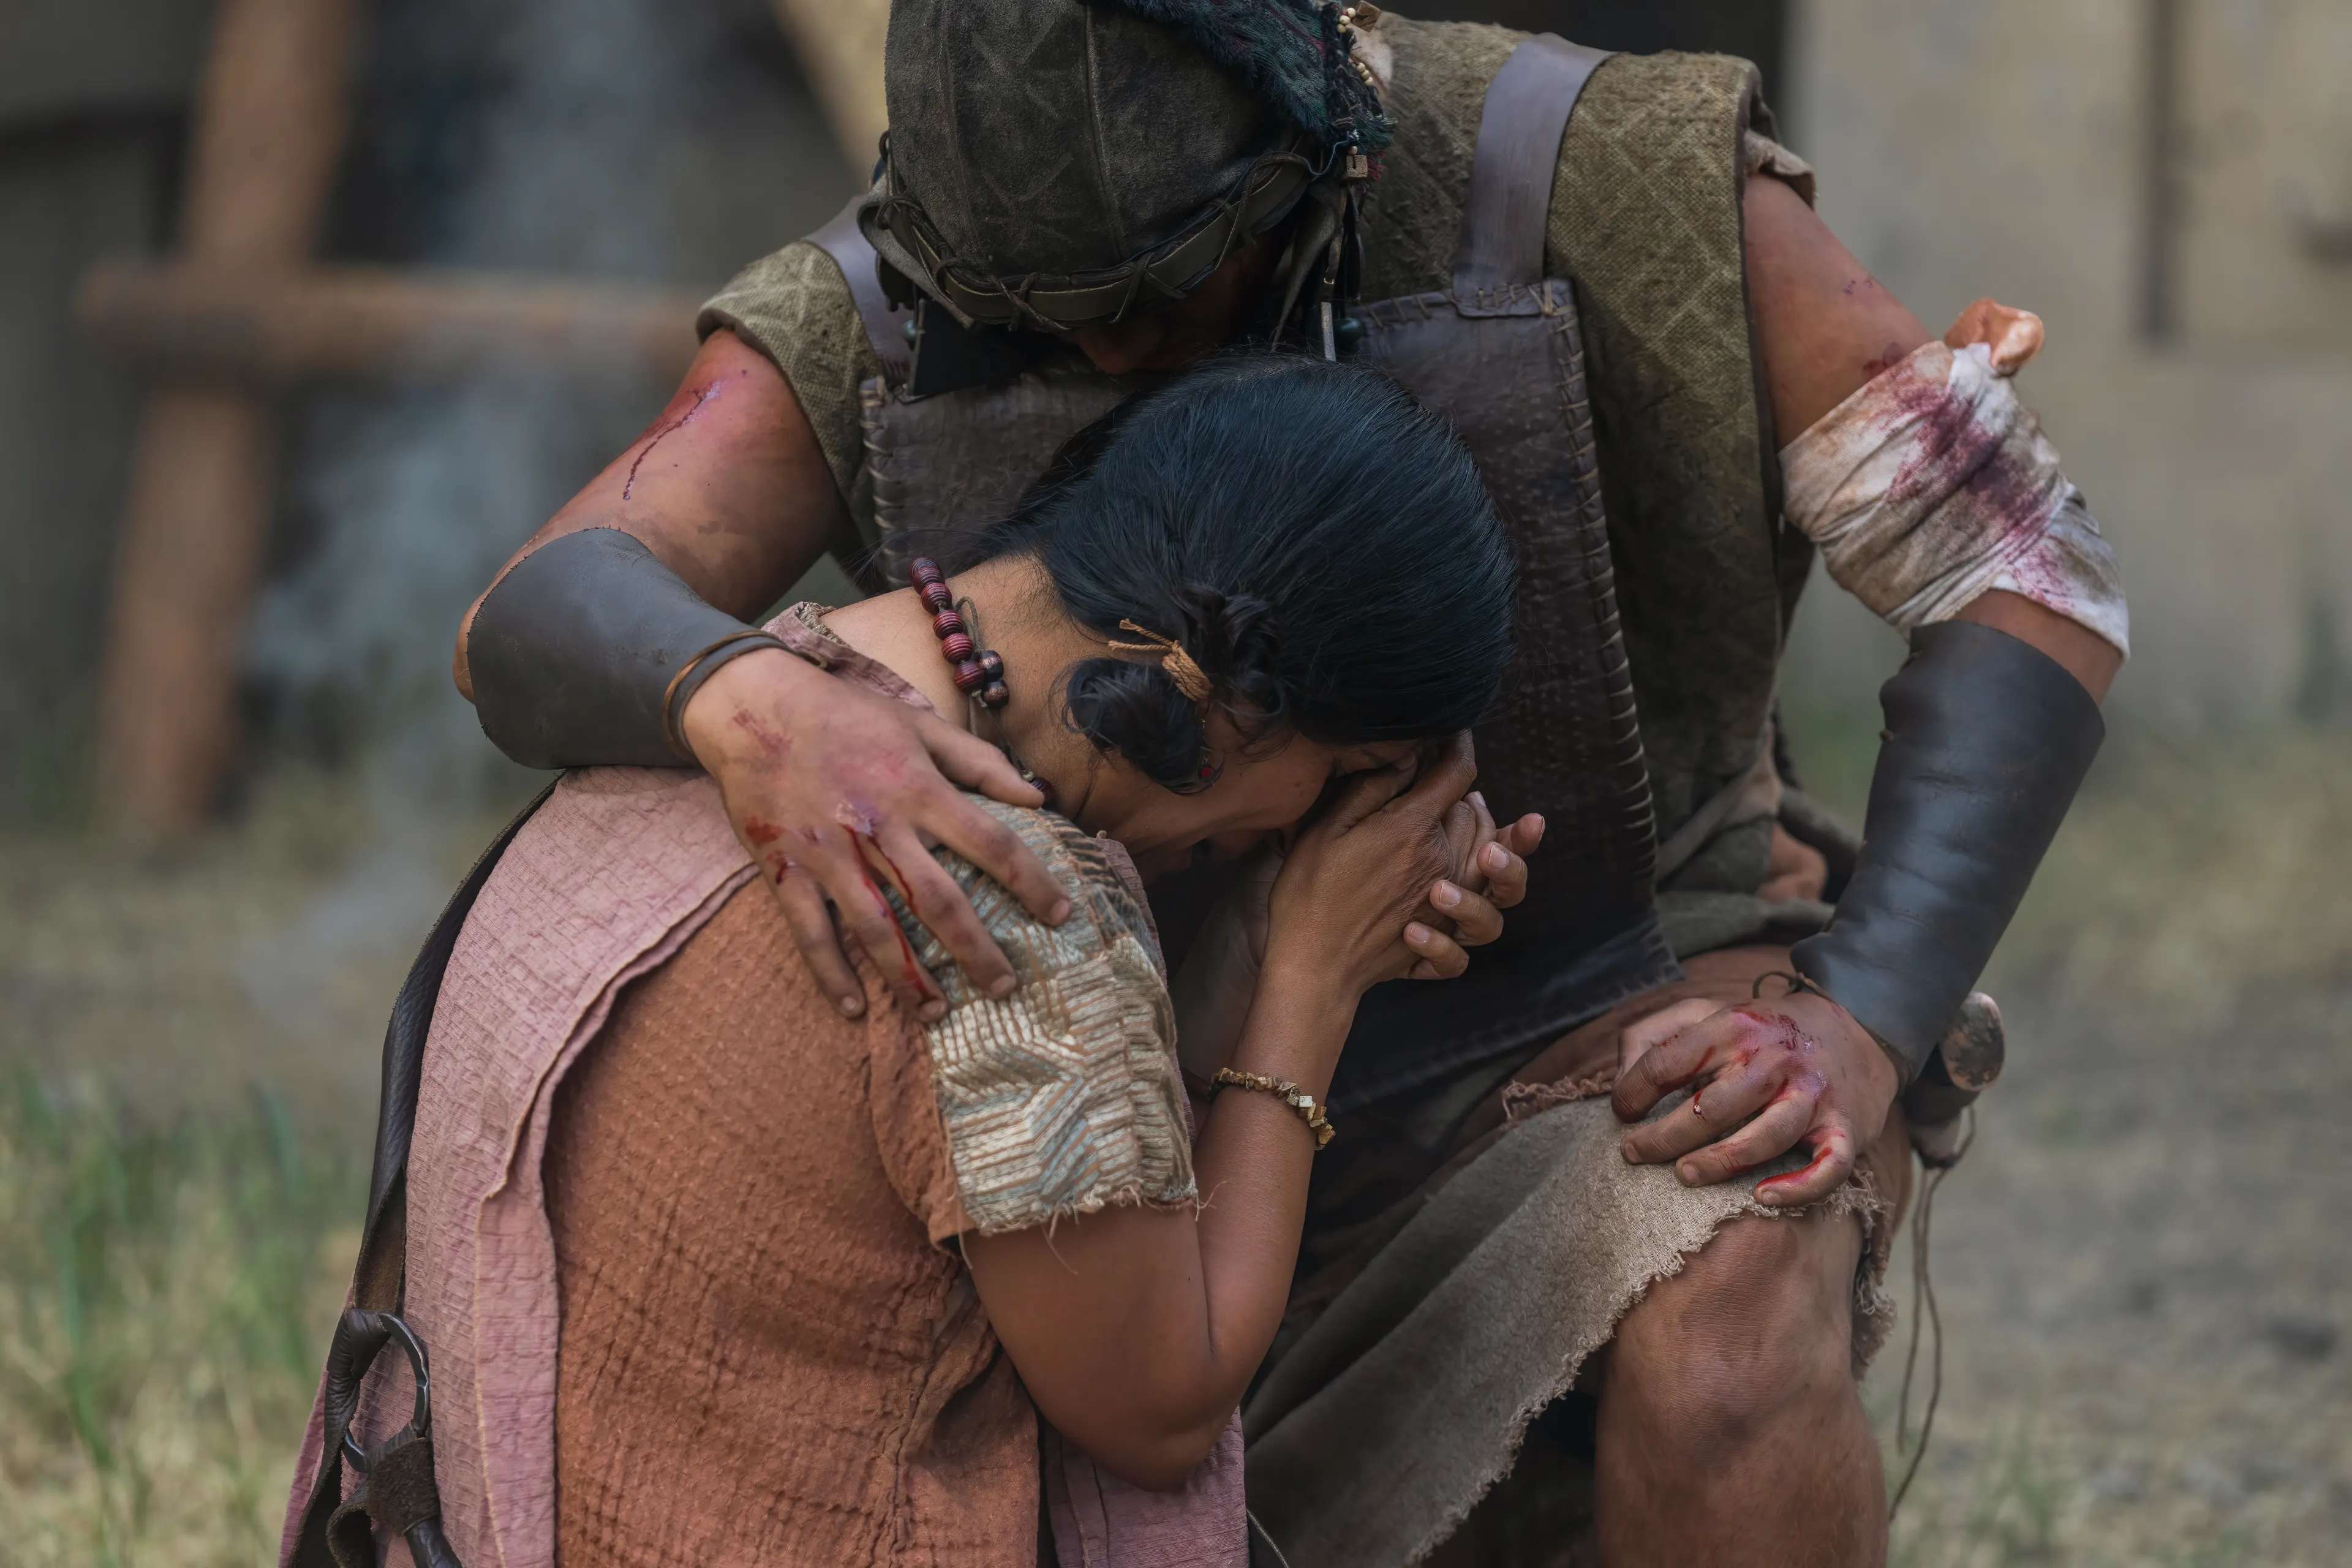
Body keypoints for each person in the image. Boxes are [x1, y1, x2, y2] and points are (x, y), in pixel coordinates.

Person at [442, 4, 2130, 1563]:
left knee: (1730, 1310)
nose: (1117, 365)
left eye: (1170, 294)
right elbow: (543, 600)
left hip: (1622, 991)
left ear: (1327, 138)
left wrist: (1860, 1017)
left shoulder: (1593, 175)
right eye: (1051, 325)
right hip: (1120, 1070)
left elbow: (2026, 567)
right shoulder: (883, 293)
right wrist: (746, 693)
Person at [284, 356, 1539, 1567]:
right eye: (1342, 786)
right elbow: (1161, 1408)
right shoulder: (1011, 896)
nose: (1291, 830)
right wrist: (1313, 987)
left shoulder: (746, 699)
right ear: (1224, 699)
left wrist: (1261, 943)